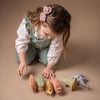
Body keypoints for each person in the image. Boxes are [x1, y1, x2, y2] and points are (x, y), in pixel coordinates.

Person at [15, 4, 71, 79]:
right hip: (30, 44)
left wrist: (50, 68)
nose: (49, 38)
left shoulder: (57, 31)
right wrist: (22, 61)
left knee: (48, 62)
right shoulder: (27, 24)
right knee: (23, 59)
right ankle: (32, 52)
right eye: (46, 34)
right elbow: (22, 41)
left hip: (45, 46)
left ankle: (42, 53)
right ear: (40, 22)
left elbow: (55, 48)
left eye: (52, 36)